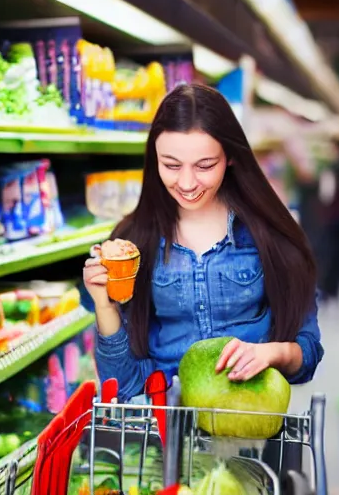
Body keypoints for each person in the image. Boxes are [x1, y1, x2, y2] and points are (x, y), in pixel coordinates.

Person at [82, 83, 323, 403]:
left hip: (252, 427)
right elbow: (124, 385)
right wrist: (105, 305)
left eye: (205, 166)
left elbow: (308, 353)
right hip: (167, 433)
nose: (186, 183)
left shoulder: (269, 236)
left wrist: (273, 353)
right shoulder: (134, 242)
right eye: (171, 165)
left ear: (231, 158)